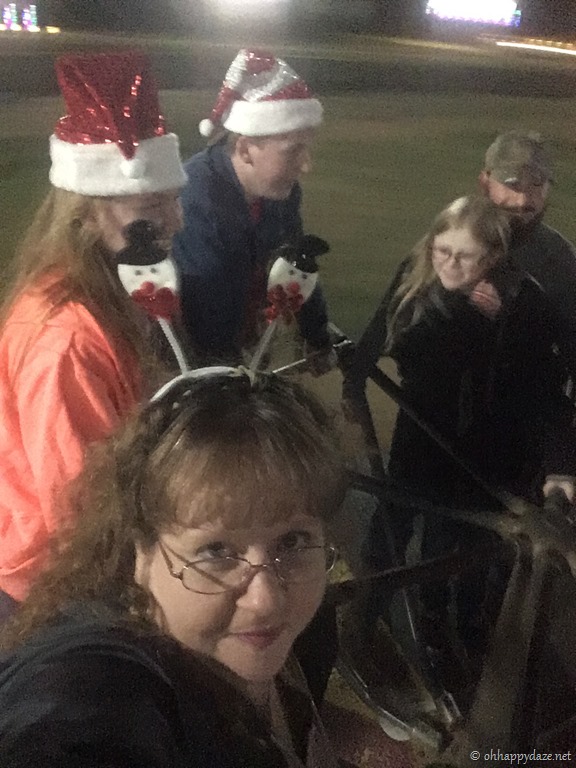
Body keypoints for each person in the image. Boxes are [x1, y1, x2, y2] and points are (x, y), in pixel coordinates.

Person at [0, 367, 346, 768]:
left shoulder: (311, 637)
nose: (266, 600)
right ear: (141, 553)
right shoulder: (101, 688)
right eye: (216, 551)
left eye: (293, 541)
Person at [342, 196, 576, 656]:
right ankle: (362, 625)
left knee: (464, 542)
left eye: (464, 256)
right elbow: (394, 344)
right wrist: (353, 385)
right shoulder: (418, 281)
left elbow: (544, 390)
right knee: (393, 531)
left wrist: (561, 465)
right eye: (442, 250)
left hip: (487, 447)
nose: (449, 264)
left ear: (492, 257)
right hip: (422, 436)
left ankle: (457, 630)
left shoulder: (523, 303)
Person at [0, 52, 188, 616]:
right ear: (85, 215)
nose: (177, 221)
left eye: (174, 199)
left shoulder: (111, 288)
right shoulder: (66, 341)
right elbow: (83, 511)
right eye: (152, 205)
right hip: (50, 584)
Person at [172, 48, 331, 365]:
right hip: (189, 358)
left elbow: (296, 264)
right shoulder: (197, 199)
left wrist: (317, 335)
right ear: (245, 149)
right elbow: (207, 316)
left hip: (243, 343)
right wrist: (237, 373)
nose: (306, 165)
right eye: (293, 150)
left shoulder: (280, 193)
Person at [479, 129, 576, 364]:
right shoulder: (448, 245)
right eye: (512, 184)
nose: (523, 200)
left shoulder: (560, 259)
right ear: (485, 182)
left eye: (536, 184)